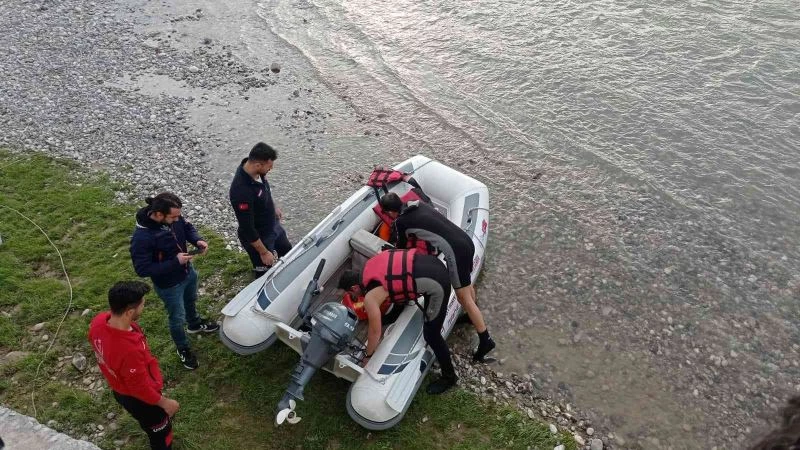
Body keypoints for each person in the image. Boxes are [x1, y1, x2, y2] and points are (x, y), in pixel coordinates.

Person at [379, 192, 496, 362]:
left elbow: (400, 252)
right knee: (466, 284)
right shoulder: (416, 203)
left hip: (455, 252)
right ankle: (471, 318)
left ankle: (486, 340)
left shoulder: (400, 222)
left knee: (463, 297)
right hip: (465, 241)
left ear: (389, 213)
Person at [337, 248, 458, 395]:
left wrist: (368, 357)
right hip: (433, 264)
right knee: (398, 285)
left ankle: (449, 377)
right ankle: (396, 313)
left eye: (351, 294)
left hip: (437, 283)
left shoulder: (370, 298)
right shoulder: (370, 266)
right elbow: (397, 280)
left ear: (354, 287)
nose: (354, 297)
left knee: (431, 335)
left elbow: (375, 332)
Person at [130, 192, 218, 370]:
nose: (177, 219)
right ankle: (183, 348)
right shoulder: (142, 238)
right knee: (177, 318)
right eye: (174, 217)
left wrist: (197, 239)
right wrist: (175, 262)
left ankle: (194, 324)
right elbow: (142, 269)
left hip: (187, 272)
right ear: (159, 214)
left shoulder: (173, 217)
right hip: (169, 285)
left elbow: (187, 227)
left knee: (191, 300)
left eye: (179, 215)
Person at [88, 281, 180, 450]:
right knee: (160, 431)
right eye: (142, 304)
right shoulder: (128, 351)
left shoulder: (99, 321)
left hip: (119, 388)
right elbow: (140, 388)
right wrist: (165, 403)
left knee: (150, 422)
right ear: (130, 311)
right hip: (139, 399)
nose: (144, 307)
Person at [229, 142, 292, 278]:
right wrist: (263, 252)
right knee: (264, 270)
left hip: (273, 226)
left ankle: (287, 276)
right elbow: (247, 228)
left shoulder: (258, 172)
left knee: (287, 250)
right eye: (269, 166)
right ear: (258, 165)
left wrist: (273, 206)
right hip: (259, 237)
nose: (271, 168)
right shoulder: (241, 192)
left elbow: (264, 190)